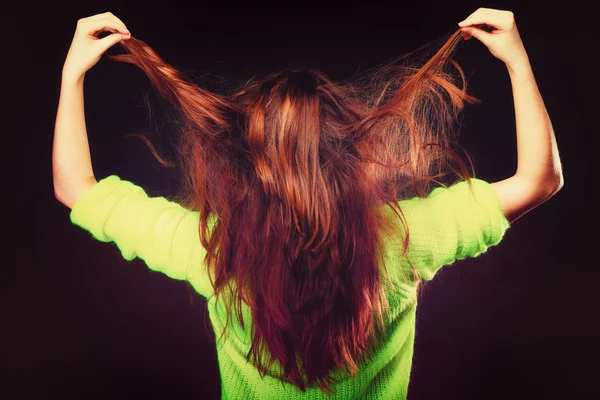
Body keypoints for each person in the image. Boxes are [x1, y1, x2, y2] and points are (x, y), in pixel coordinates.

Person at [53, 8, 563, 399]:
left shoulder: (211, 250)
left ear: (251, 160)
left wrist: (72, 74)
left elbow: (75, 188)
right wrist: (517, 61)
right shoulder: (405, 236)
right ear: (346, 151)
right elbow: (541, 179)